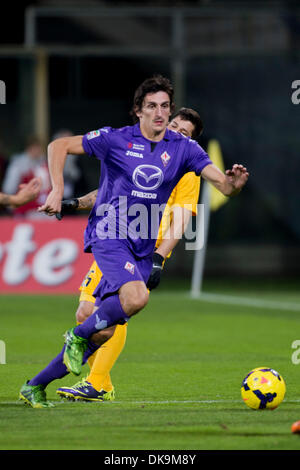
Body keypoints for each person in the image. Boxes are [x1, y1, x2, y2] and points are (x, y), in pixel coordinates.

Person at [19, 75, 248, 408]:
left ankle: (35, 385)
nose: (160, 113)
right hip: (110, 235)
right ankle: (78, 344)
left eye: (165, 106)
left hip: (143, 247)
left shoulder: (184, 151)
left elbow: (223, 188)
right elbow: (59, 146)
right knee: (133, 298)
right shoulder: (115, 139)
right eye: (152, 106)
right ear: (138, 110)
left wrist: (235, 184)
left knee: (103, 331)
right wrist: (58, 190)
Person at [55, 107, 204, 402]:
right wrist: (73, 203)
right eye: (174, 125)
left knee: (114, 311)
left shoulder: (187, 164)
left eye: (184, 132)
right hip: (114, 238)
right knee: (86, 312)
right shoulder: (146, 150)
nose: (176, 132)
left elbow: (182, 217)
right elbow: (109, 191)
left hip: (141, 250)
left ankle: (96, 382)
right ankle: (102, 382)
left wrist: (159, 258)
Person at [1, 136, 51, 217]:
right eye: (35, 148)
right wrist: (14, 202)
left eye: (39, 148)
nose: (37, 151)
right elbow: (9, 188)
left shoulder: (45, 162)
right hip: (24, 210)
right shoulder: (18, 164)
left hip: (43, 208)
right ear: (29, 148)